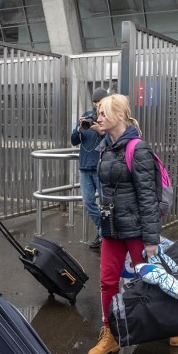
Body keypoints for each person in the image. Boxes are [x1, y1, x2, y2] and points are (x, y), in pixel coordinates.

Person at [87, 94, 178, 354]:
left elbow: (148, 198)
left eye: (104, 113)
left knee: (151, 281)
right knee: (108, 282)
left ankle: (174, 323)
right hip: (112, 228)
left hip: (138, 231)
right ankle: (111, 334)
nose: (100, 118)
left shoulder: (138, 148)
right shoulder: (105, 147)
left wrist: (151, 240)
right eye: (99, 114)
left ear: (120, 116)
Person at [71, 87, 107, 249]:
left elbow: (113, 141)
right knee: (88, 202)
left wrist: (100, 131)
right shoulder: (85, 116)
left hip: (102, 168)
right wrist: (79, 128)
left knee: (107, 204)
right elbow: (74, 141)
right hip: (85, 168)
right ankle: (102, 231)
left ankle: (106, 235)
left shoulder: (107, 118)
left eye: (100, 101)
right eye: (95, 101)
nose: (97, 105)